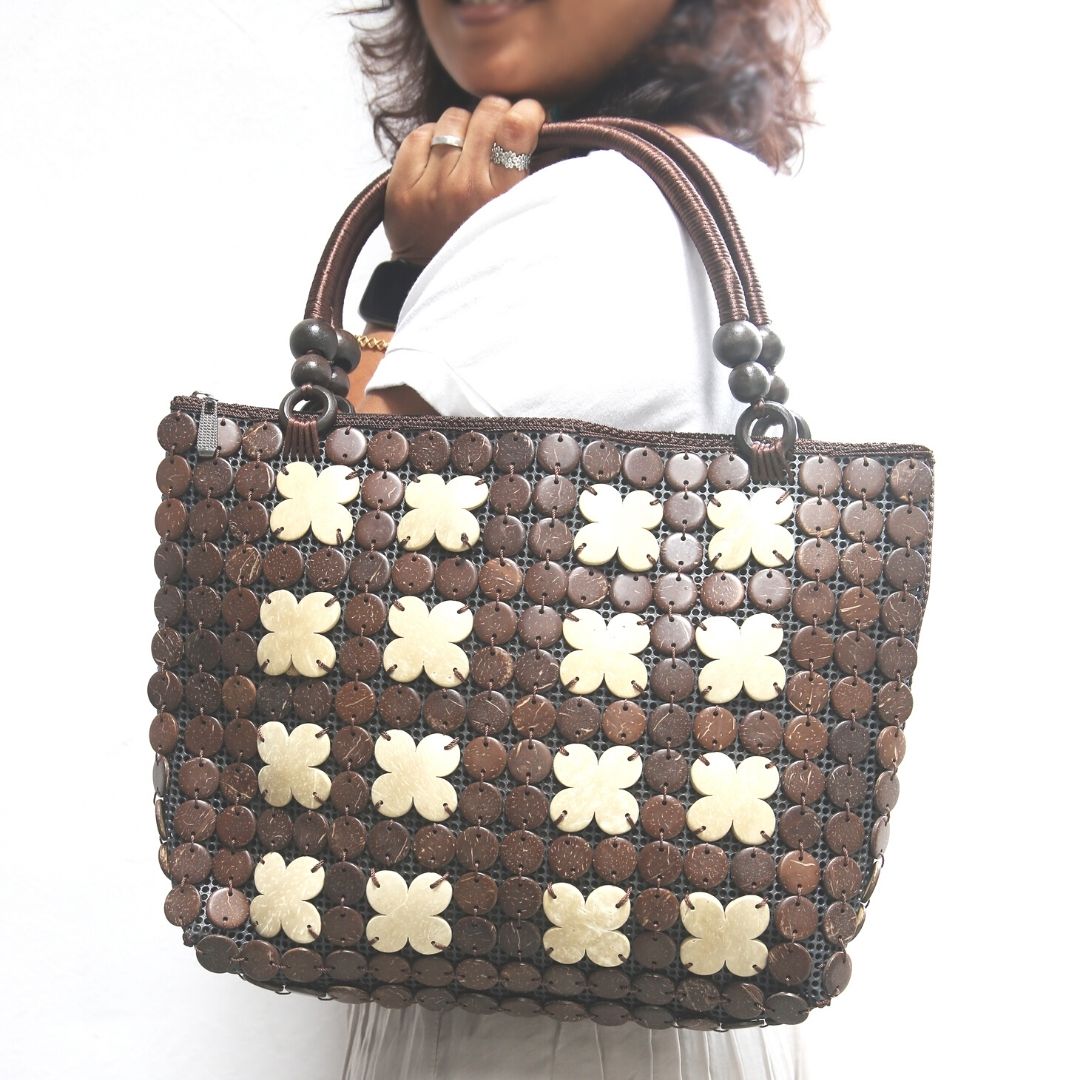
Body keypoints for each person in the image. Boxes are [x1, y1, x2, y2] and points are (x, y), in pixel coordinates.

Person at [340, 2, 826, 1077]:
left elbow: (321, 576)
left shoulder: (582, 213)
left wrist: (405, 280)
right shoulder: (741, 194)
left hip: (517, 1019)